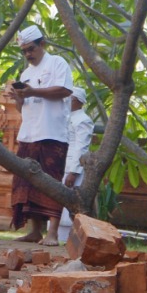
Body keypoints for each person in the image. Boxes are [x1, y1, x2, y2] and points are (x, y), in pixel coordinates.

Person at [5, 25, 73, 245]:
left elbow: (63, 90)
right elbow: (22, 107)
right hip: (29, 133)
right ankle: (35, 231)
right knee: (27, 182)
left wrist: (33, 91)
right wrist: (16, 95)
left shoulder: (57, 63)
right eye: (24, 51)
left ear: (42, 44)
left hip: (52, 133)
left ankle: (52, 234)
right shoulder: (26, 73)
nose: (28, 54)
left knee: (51, 182)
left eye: (31, 49)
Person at [55, 94, 94, 245]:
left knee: (69, 205)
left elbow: (81, 147)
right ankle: (57, 238)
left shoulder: (83, 120)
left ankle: (68, 241)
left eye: (69, 99)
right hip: (61, 164)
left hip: (72, 167)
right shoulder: (65, 117)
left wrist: (73, 171)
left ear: (77, 100)